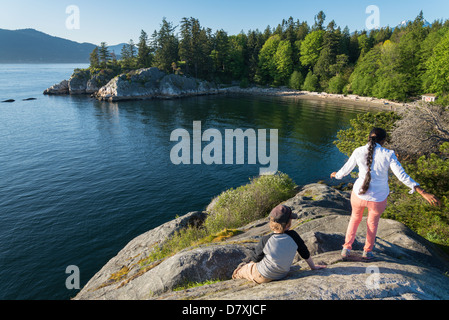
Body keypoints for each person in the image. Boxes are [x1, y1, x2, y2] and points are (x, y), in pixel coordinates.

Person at [331, 127, 440, 260]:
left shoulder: (358, 151)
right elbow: (402, 175)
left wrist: (337, 175)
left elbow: (345, 170)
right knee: (372, 224)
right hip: (378, 197)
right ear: (384, 140)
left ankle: (346, 248)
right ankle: (367, 251)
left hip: (358, 194)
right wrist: (422, 192)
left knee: (354, 219)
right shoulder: (388, 154)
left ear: (368, 138)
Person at [232, 204, 326, 284]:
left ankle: (235, 277)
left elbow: (256, 259)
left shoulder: (266, 239)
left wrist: (248, 266)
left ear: (271, 223)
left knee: (243, 269)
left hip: (262, 276)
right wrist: (313, 267)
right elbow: (304, 253)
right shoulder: (294, 236)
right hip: (282, 274)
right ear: (288, 224)